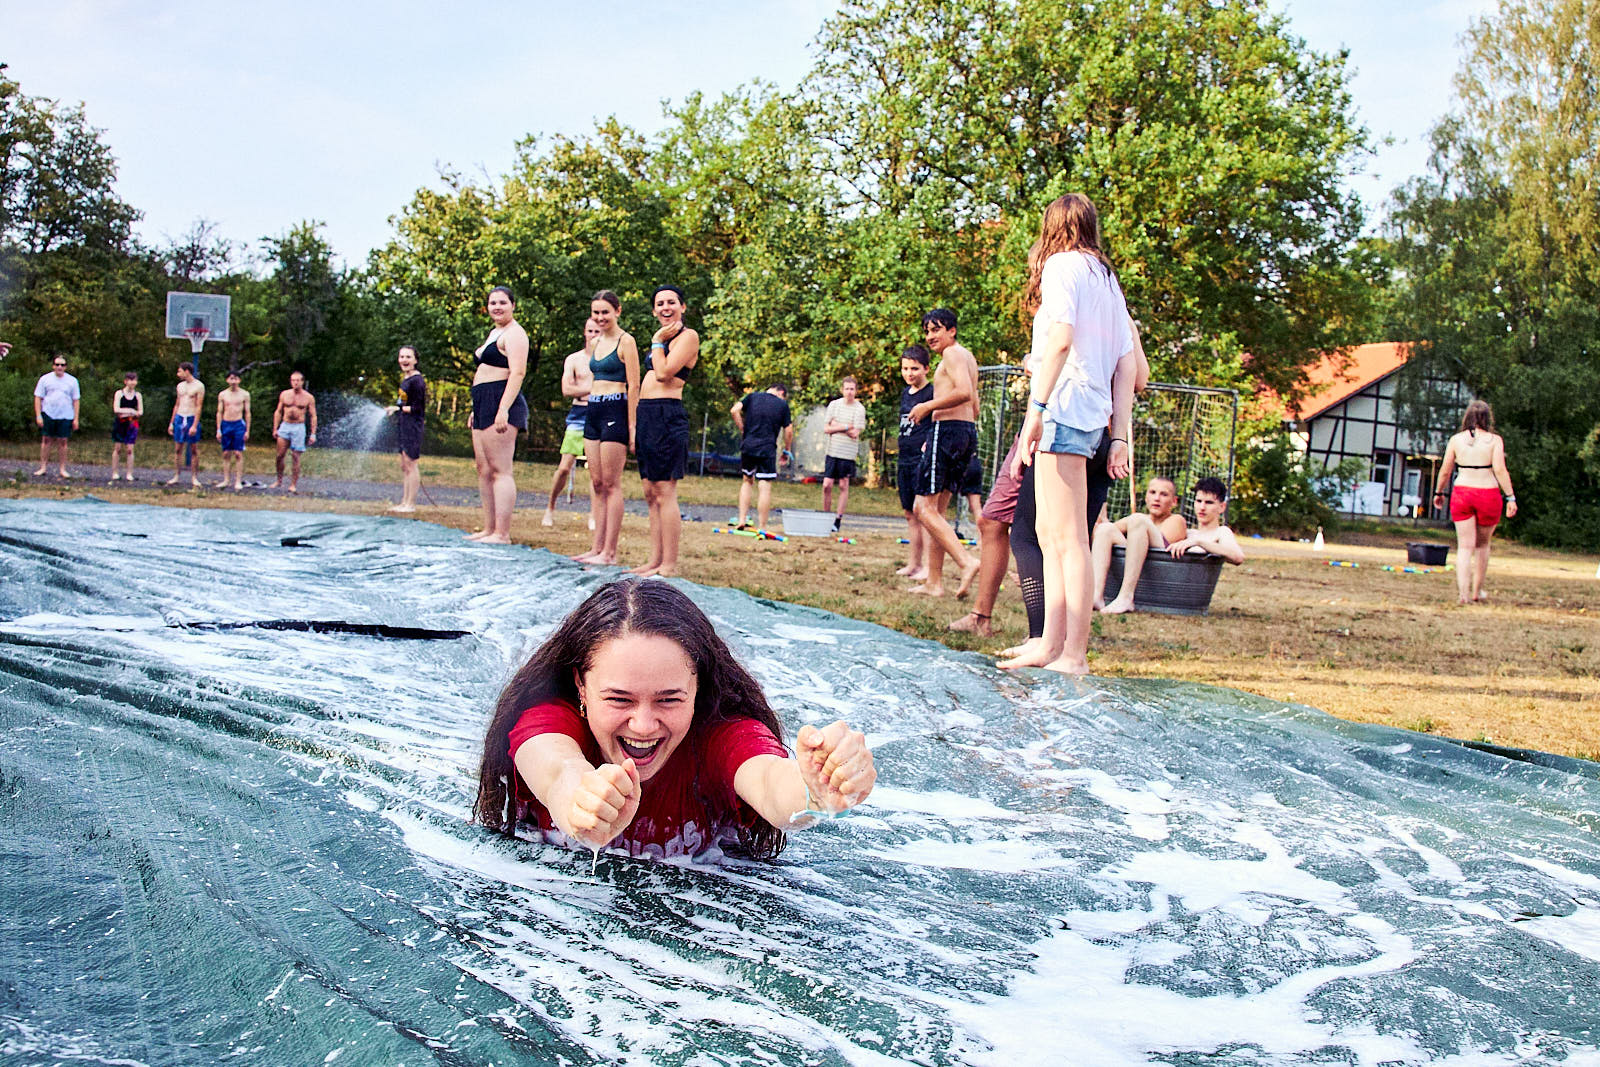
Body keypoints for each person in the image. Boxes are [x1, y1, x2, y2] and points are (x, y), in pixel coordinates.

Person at [472, 579, 877, 861]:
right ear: (581, 684)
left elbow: (772, 784)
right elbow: (555, 768)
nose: (644, 725)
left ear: (698, 689)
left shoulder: (721, 737)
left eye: (669, 699)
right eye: (619, 699)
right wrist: (580, 801)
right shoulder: (548, 719)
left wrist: (814, 791)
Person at [1003, 193, 1139, 675]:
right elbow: (1128, 363)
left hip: (1064, 407)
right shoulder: (1107, 278)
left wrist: (1035, 409)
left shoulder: (1063, 266)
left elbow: (1060, 339)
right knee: (1047, 532)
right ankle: (1049, 643)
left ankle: (1074, 654)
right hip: (1086, 409)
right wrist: (1119, 434)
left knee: (1069, 538)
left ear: (1053, 227)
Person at [906, 309, 982, 598]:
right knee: (937, 511)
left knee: (922, 508)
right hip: (964, 432)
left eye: (936, 330)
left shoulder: (952, 354)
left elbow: (963, 391)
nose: (930, 337)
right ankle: (934, 582)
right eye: (927, 331)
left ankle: (966, 562)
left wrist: (929, 407)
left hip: (948, 431)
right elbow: (973, 403)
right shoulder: (966, 357)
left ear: (952, 330)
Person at [631, 285, 700, 577]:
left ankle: (668, 564)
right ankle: (654, 560)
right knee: (649, 491)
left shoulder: (688, 337)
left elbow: (663, 372)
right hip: (646, 414)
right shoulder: (661, 340)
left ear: (682, 307)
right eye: (660, 303)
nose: (665, 307)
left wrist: (658, 341)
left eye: (671, 302)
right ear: (654, 309)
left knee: (665, 490)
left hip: (667, 416)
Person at [574, 291, 637, 564]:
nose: (600, 317)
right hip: (593, 409)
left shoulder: (627, 341)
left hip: (616, 409)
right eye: (596, 312)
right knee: (597, 482)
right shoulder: (596, 340)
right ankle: (596, 547)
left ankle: (610, 552)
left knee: (612, 484)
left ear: (617, 311)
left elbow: (634, 385)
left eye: (605, 312)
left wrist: (633, 425)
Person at [1432, 399, 1516, 605]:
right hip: (1488, 493)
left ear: (1467, 417)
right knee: (1482, 545)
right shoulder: (1495, 441)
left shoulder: (1455, 440)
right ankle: (1477, 591)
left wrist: (1438, 492)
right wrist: (1510, 496)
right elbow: (1499, 470)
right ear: (1488, 418)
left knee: (1464, 546)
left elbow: (1445, 470)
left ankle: (1463, 594)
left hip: (1462, 493)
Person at [464, 287, 528, 542]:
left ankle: (502, 533)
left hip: (501, 400)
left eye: (503, 302)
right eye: (493, 303)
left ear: (513, 304)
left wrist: (502, 408)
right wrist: (474, 408)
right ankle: (489, 528)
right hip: (482, 402)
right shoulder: (495, 332)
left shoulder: (516, 334)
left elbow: (518, 373)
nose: (497, 307)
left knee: (501, 469)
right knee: (484, 469)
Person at [1092, 476, 1189, 613]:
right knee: (1105, 529)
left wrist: (1135, 524)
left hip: (1161, 577)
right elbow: (1104, 530)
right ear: (1146, 497)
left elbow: (1160, 551)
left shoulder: (1176, 520)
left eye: (1164, 494)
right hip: (1140, 557)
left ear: (1174, 502)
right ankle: (1096, 595)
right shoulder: (1140, 522)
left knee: (1138, 520)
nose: (1157, 498)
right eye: (1152, 492)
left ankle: (1126, 597)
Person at [543, 320, 600, 528]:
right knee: (564, 467)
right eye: (590, 331)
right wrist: (591, 387)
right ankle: (550, 507)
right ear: (584, 333)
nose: (594, 335)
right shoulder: (574, 359)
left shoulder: (608, 359)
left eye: (598, 331)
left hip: (600, 411)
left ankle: (594, 515)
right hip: (578, 414)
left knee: (596, 471)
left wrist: (588, 388)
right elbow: (566, 390)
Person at [731, 383, 793, 532]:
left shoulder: (752, 397)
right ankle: (762, 527)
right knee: (764, 487)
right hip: (767, 448)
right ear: (781, 393)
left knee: (747, 481)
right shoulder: (782, 405)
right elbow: (789, 430)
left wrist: (743, 429)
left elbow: (734, 410)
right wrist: (787, 450)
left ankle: (741, 520)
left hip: (748, 445)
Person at [896, 346, 934, 580]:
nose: (909, 373)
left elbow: (938, 421)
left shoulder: (932, 393)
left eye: (914, 368)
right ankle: (914, 564)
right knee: (910, 514)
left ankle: (930, 567)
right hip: (904, 458)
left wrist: (928, 445)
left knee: (926, 515)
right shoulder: (905, 393)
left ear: (926, 368)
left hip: (922, 460)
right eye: (905, 368)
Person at [821, 376, 868, 533]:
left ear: (856, 391)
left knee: (843, 484)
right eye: (846, 389)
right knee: (827, 484)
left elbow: (855, 433)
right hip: (832, 450)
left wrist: (838, 426)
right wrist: (847, 426)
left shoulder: (859, 408)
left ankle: (838, 519)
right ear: (842, 390)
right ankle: (825, 517)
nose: (849, 392)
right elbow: (827, 428)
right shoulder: (834, 405)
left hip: (848, 453)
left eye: (852, 389)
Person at [1167, 477, 1245, 566]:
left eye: (1209, 502)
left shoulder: (1221, 532)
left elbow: (1238, 557)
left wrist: (1199, 543)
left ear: (1222, 507)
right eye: (1199, 501)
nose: (1202, 507)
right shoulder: (1188, 533)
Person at [385, 347, 425, 511]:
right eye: (401, 356)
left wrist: (398, 409)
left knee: (411, 464)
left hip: (413, 426)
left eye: (408, 357)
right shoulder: (406, 379)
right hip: (403, 424)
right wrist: (398, 409)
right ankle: (404, 501)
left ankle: (411, 504)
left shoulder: (417, 381)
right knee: (405, 465)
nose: (404, 360)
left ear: (415, 360)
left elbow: (418, 408)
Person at [33, 355, 81, 478]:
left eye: (62, 365)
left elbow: (76, 400)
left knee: (63, 441)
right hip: (48, 413)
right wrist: (38, 415)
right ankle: (43, 467)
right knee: (46, 440)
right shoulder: (45, 379)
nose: (59, 367)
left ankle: (62, 469)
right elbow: (38, 397)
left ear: (65, 367)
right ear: (53, 366)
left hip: (65, 414)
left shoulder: (72, 381)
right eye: (57, 364)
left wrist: (76, 418)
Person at [271, 370, 318, 493]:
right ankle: (279, 480)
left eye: (297, 380)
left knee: (295, 456)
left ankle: (293, 484)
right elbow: (278, 411)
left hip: (299, 427)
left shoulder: (308, 397)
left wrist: (313, 433)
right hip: (285, 426)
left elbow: (313, 415)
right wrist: (275, 428)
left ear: (302, 382)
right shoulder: (284, 394)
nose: (295, 383)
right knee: (280, 455)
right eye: (293, 380)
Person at [166, 362, 205, 488]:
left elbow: (199, 406)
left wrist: (194, 424)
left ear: (187, 371)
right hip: (180, 417)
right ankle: (176, 475)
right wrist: (172, 422)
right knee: (178, 449)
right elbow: (177, 404)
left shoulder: (199, 386)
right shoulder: (180, 386)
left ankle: (194, 477)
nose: (178, 374)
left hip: (191, 417)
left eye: (180, 371)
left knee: (193, 449)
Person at [213, 371, 251, 491]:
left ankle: (238, 481)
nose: (233, 381)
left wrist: (247, 430)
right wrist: (219, 429)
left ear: (239, 380)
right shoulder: (223, 394)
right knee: (226, 453)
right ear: (227, 380)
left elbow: (247, 413)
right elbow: (219, 412)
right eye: (231, 379)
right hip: (226, 424)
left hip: (238, 425)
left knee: (238, 453)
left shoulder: (245, 394)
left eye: (235, 379)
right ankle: (226, 480)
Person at [108, 371, 143, 482]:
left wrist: (130, 413)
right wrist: (131, 411)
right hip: (120, 423)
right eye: (130, 380)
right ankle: (115, 473)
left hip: (132, 424)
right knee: (117, 448)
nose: (132, 382)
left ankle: (129, 474)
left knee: (130, 449)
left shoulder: (137, 395)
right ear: (125, 381)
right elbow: (116, 410)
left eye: (134, 380)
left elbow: (140, 412)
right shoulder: (119, 393)